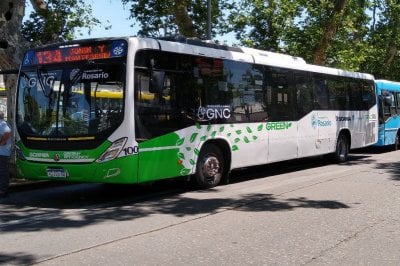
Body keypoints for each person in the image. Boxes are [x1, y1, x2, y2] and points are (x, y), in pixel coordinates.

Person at [0, 111, 11, 198]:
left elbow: (7, 133)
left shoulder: (2, 124)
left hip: (2, 153)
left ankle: (3, 191)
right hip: (3, 153)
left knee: (3, 172)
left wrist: (1, 142)